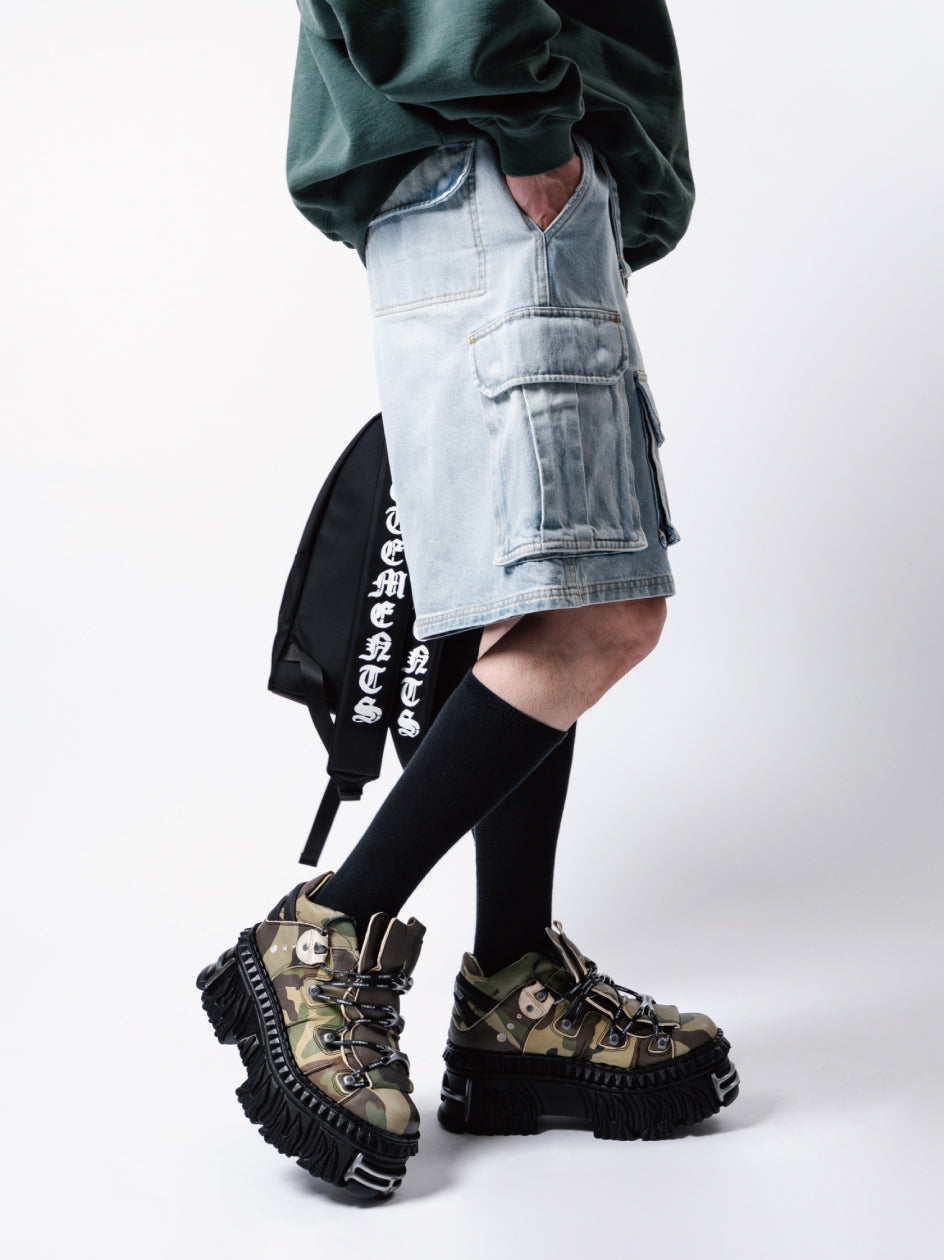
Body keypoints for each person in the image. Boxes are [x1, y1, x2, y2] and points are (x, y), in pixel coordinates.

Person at [197, 0, 739, 1200]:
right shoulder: (512, 141)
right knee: (593, 617)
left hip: (503, 173)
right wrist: (535, 134)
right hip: (494, 162)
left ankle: (512, 989)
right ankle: (328, 933)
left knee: (536, 609)